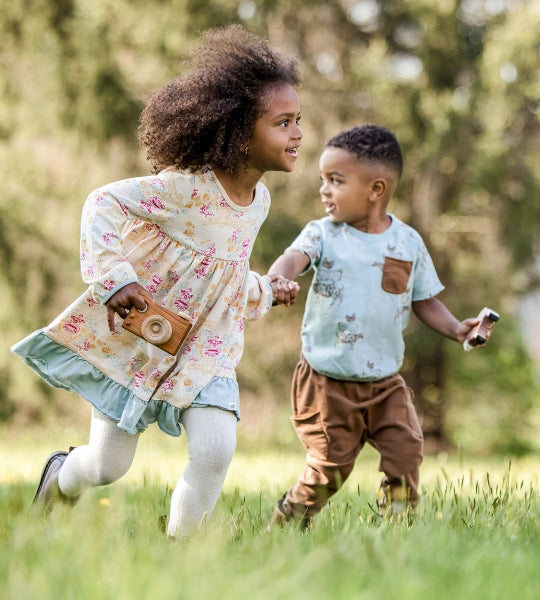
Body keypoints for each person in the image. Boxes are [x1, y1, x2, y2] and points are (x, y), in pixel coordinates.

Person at [11, 24, 302, 538]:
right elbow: (102, 202)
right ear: (239, 132)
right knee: (107, 466)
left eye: (298, 121)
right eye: (283, 123)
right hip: (145, 339)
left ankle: (180, 553)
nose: (297, 133)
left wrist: (263, 290)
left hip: (208, 349)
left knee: (215, 449)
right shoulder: (185, 189)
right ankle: (61, 476)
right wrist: (114, 278)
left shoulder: (259, 203)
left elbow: (222, 275)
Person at [267, 124, 494, 528]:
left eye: (335, 181)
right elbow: (292, 260)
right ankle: (288, 518)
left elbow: (423, 299)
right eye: (323, 179)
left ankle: (396, 527)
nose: (324, 190)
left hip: (385, 381)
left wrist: (459, 329)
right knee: (329, 470)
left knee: (406, 450)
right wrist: (277, 279)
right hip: (326, 380)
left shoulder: (407, 242)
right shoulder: (322, 234)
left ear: (376, 189)